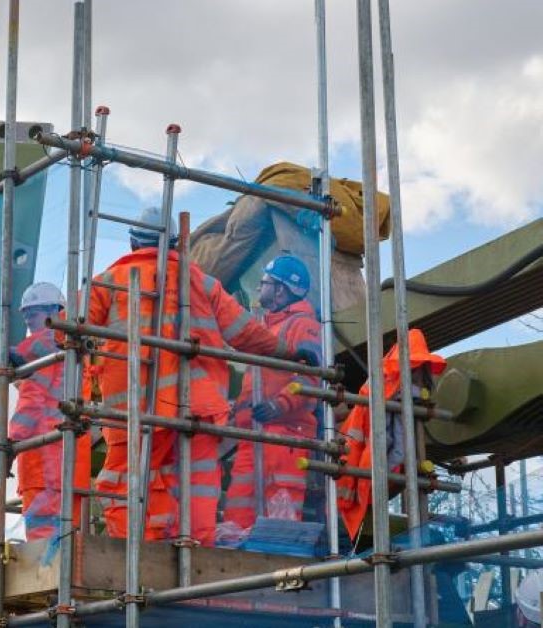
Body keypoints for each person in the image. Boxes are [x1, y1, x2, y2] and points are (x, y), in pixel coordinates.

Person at [85, 207, 314, 546]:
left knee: (125, 481)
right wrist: (289, 352)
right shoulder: (202, 282)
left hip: (138, 409)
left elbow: (68, 331)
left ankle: (137, 552)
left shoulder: (108, 281)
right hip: (199, 405)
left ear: (132, 241)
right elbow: (245, 332)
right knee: (197, 483)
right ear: (178, 242)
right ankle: (196, 551)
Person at [223, 254, 323, 530]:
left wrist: (280, 405)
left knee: (281, 513)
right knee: (238, 513)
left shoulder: (304, 325)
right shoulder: (267, 327)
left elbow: (312, 378)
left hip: (285, 435)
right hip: (253, 436)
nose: (259, 288)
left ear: (281, 289)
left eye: (265, 282)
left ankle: (279, 569)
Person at [335, 328, 446, 540]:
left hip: (358, 482)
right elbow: (388, 450)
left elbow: (393, 449)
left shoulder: (381, 394)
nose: (419, 378)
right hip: (357, 482)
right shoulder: (382, 396)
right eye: (416, 369)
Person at [7, 282, 91, 542]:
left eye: (32, 315)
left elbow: (31, 405)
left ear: (53, 313)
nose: (29, 322)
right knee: (71, 542)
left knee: (43, 542)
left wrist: (10, 443)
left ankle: (51, 584)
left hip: (43, 465)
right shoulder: (72, 353)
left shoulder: (43, 354)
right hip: (72, 464)